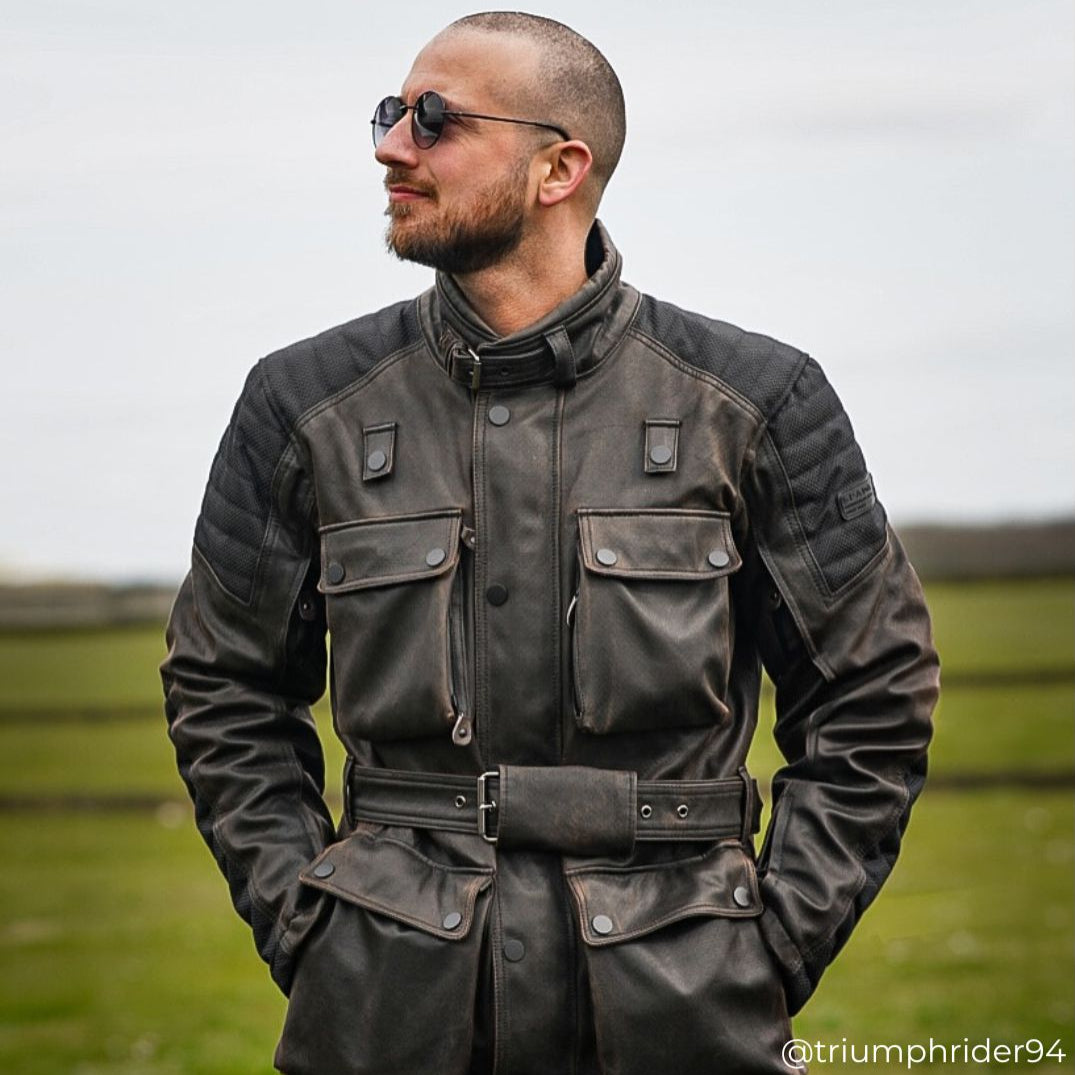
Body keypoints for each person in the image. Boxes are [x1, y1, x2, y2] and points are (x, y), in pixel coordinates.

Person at [161, 12, 940, 1075]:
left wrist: (765, 947)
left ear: (557, 168)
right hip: (386, 1011)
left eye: (434, 119)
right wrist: (312, 925)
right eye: (391, 113)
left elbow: (873, 692)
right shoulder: (305, 406)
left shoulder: (756, 402)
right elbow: (223, 684)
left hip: (681, 1010)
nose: (392, 145)